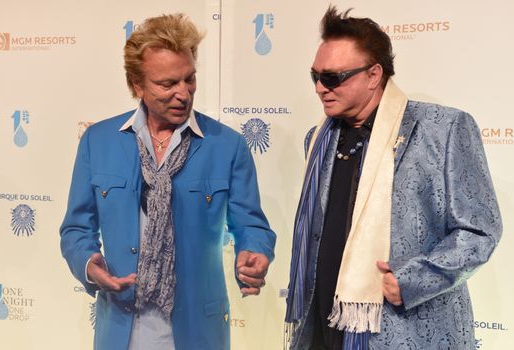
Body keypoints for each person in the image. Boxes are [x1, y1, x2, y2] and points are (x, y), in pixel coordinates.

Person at [285, 6, 501, 350]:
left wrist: (413, 280)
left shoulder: (442, 129)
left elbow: (479, 231)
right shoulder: (317, 139)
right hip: (325, 326)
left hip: (406, 333)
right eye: (315, 77)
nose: (320, 89)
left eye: (333, 78)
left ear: (374, 75)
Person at [60, 13, 275, 350]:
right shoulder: (97, 141)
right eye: (167, 84)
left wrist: (254, 253)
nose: (183, 94)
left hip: (198, 332)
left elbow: (252, 226)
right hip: (119, 326)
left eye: (189, 79)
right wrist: (89, 264)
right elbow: (75, 229)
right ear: (137, 85)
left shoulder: (227, 145)